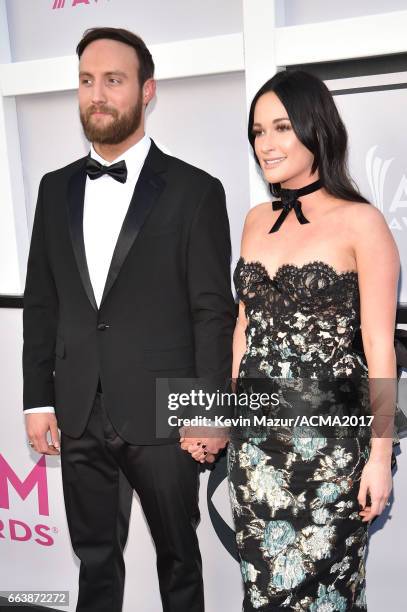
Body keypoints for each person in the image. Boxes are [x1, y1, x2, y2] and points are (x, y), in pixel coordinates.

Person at [23, 27, 235, 612]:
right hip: (77, 407)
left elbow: (212, 312)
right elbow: (43, 300)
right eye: (87, 81)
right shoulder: (53, 188)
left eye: (113, 80)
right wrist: (37, 399)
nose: (98, 94)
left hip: (168, 411)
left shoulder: (196, 191)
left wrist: (211, 412)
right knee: (94, 560)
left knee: (178, 562)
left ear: (147, 91)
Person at [226, 70, 399, 611]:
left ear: (315, 129)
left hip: (332, 451)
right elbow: (243, 330)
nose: (266, 144)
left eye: (281, 127)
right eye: (257, 131)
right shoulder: (255, 220)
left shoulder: (362, 223)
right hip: (255, 450)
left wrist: (378, 456)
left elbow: (380, 349)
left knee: (329, 593)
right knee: (265, 590)